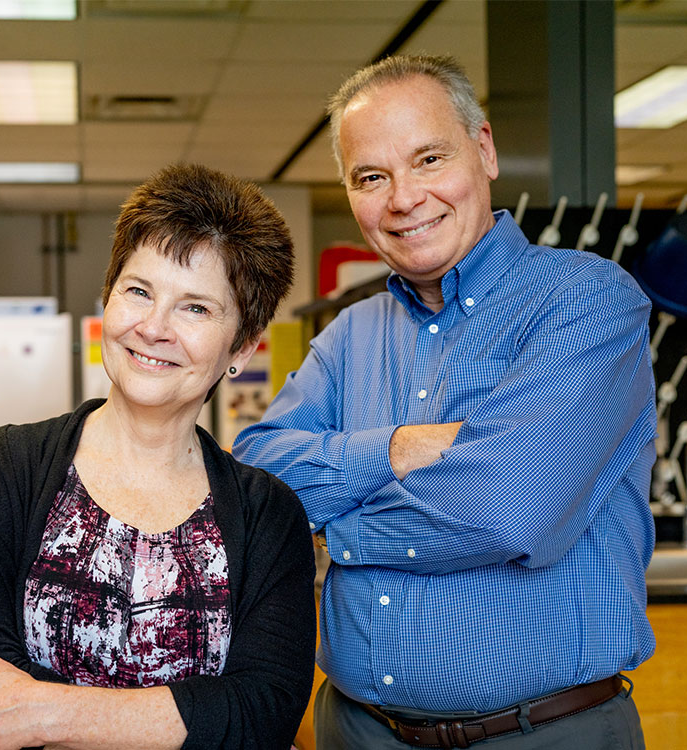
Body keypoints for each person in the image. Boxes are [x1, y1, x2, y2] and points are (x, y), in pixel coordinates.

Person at [233, 55, 655, 749]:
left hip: (542, 733)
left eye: (429, 158)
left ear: (483, 150)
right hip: (357, 730)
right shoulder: (349, 335)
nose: (403, 198)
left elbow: (508, 511)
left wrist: (340, 528)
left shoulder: (585, 302)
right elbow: (256, 485)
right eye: (372, 176)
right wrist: (400, 448)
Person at [0, 163, 315, 750]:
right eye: (139, 291)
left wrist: (42, 713)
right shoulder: (1, 469)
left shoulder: (269, 516)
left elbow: (262, 715)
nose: (154, 328)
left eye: (196, 308)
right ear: (108, 298)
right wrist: (183, 721)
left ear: (242, 346)